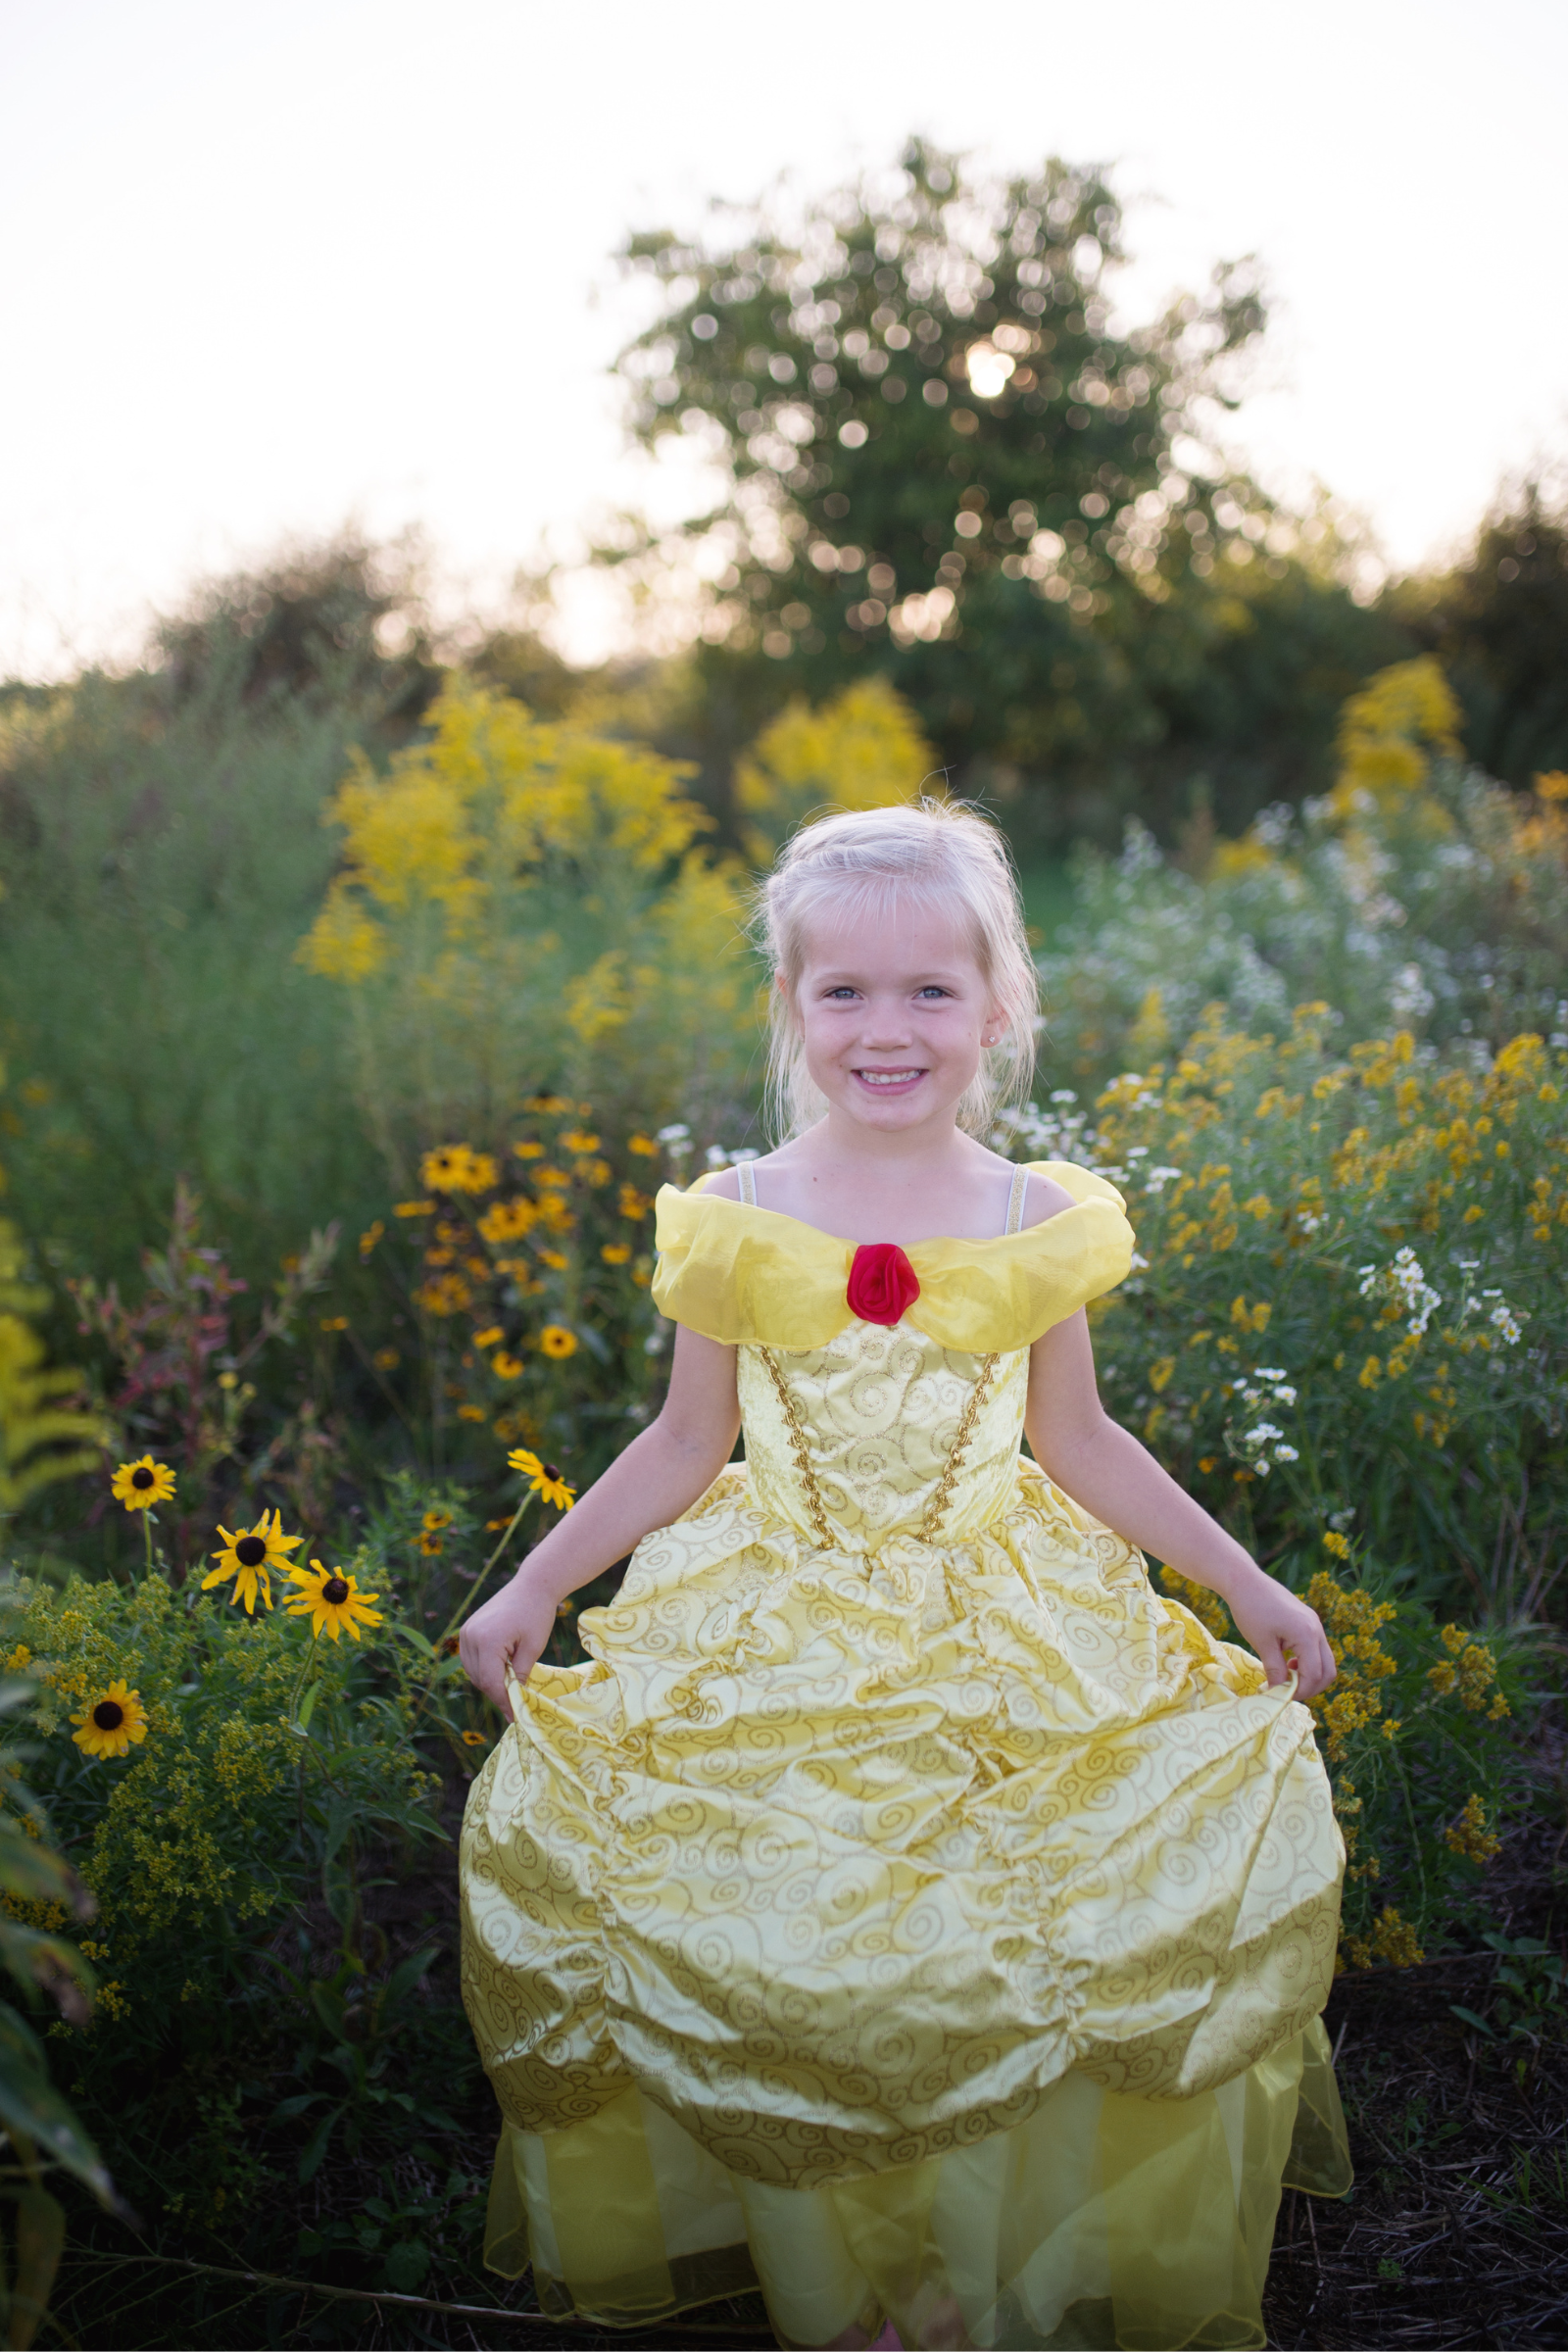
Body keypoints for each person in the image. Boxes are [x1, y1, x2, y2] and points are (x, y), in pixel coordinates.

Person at [459, 800, 1350, 2351]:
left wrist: (1245, 1585)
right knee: (779, 1939)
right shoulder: (736, 1213)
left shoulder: (1032, 1216)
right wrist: (534, 1584)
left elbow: (1079, 1441)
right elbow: (683, 1446)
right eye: (844, 992)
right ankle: (841, 2272)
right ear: (791, 1009)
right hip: (777, 1620)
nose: (889, 1029)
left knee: (1019, 1938)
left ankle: (968, 2272)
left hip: (999, 1619)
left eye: (930, 991)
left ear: (998, 1006)